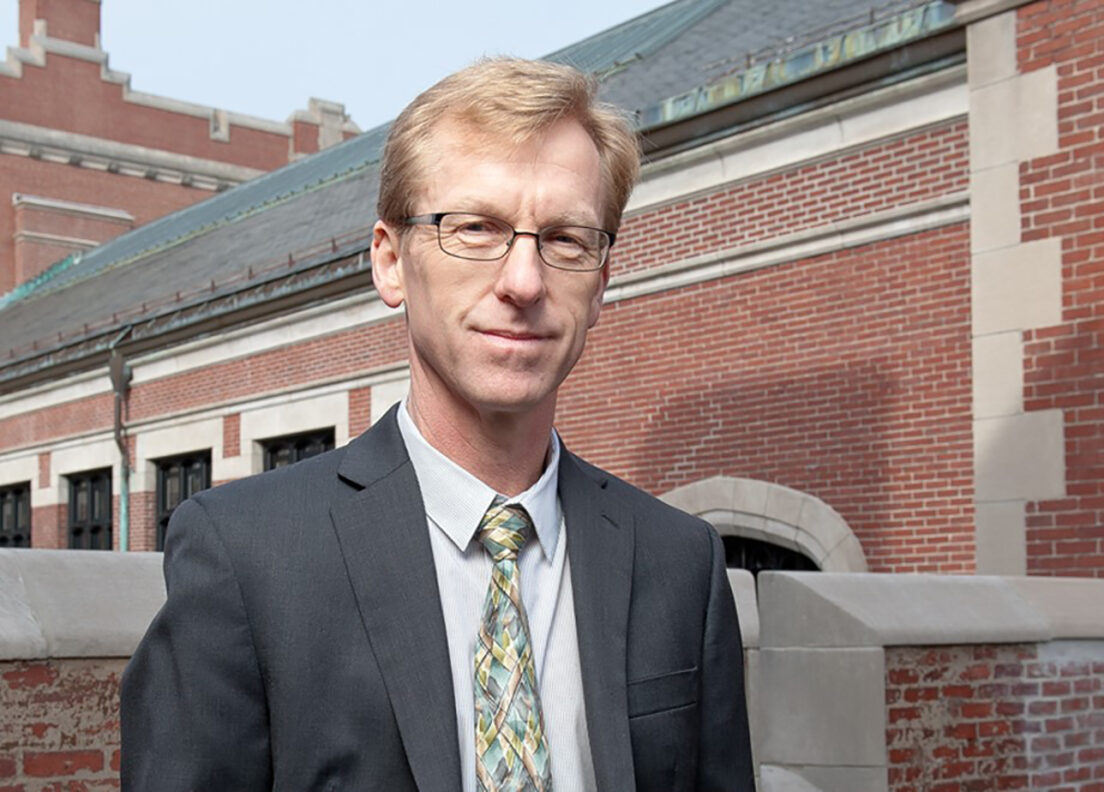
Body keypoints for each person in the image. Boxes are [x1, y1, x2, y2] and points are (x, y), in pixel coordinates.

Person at [120, 57, 753, 792]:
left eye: (567, 240)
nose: (524, 282)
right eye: (476, 228)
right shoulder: (249, 559)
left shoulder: (683, 564)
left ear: (602, 281)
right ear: (391, 262)